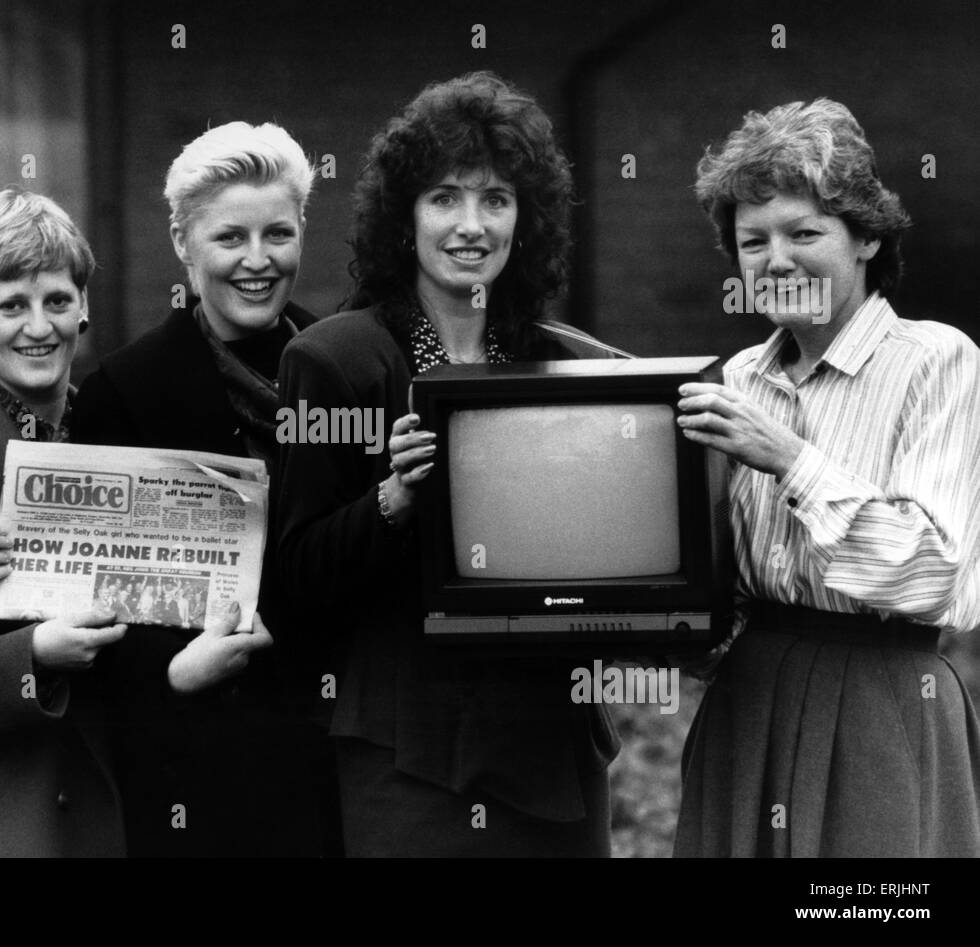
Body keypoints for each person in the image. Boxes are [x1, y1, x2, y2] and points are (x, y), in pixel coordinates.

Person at [275, 72, 628, 857]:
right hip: (412, 752)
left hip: (553, 742)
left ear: (523, 219)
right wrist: (393, 501)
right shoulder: (333, 360)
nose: (471, 224)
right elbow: (293, 580)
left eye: (495, 199)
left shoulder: (567, 361)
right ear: (405, 218)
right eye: (444, 198)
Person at [0, 188, 268, 857]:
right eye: (11, 305)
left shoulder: (129, 448)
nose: (38, 326)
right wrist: (29, 658)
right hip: (6, 816)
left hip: (132, 802)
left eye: (57, 300)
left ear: (84, 307)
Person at [674, 98, 980, 857]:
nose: (775, 258)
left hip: (886, 698)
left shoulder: (938, 362)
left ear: (869, 235)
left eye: (804, 232)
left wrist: (791, 460)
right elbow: (718, 583)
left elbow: (933, 571)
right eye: (753, 240)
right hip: (750, 701)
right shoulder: (736, 379)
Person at [72, 120, 335, 857]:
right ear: (183, 243)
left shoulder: (347, 365)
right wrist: (169, 672)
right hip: (189, 772)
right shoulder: (121, 392)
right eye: (229, 239)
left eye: (278, 233)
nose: (258, 261)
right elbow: (93, 593)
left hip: (333, 759)